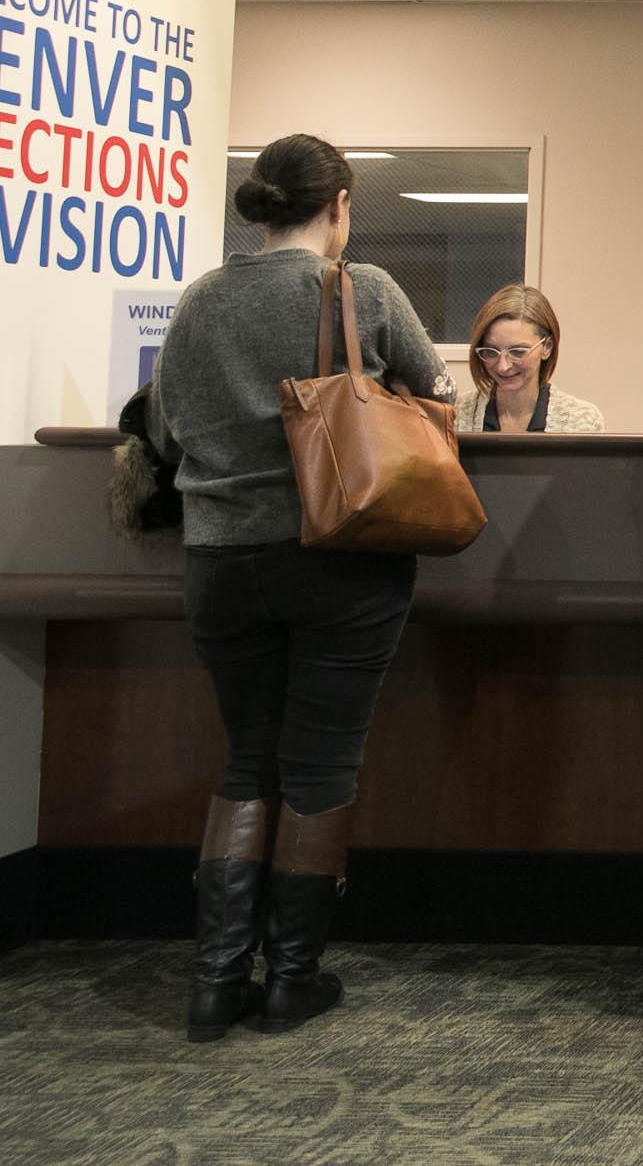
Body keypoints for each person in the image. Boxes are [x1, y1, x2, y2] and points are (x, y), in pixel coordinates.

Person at [146, 134, 454, 1040]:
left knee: (247, 759)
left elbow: (164, 432)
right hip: (341, 557)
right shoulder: (358, 289)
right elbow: (438, 402)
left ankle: (212, 983)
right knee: (319, 765)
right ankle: (291, 979)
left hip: (220, 561)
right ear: (341, 204)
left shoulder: (198, 300)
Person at [454, 284, 605, 433]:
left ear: (547, 347)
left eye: (518, 352)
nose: (503, 366)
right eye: (491, 352)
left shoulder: (583, 421)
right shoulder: (457, 414)